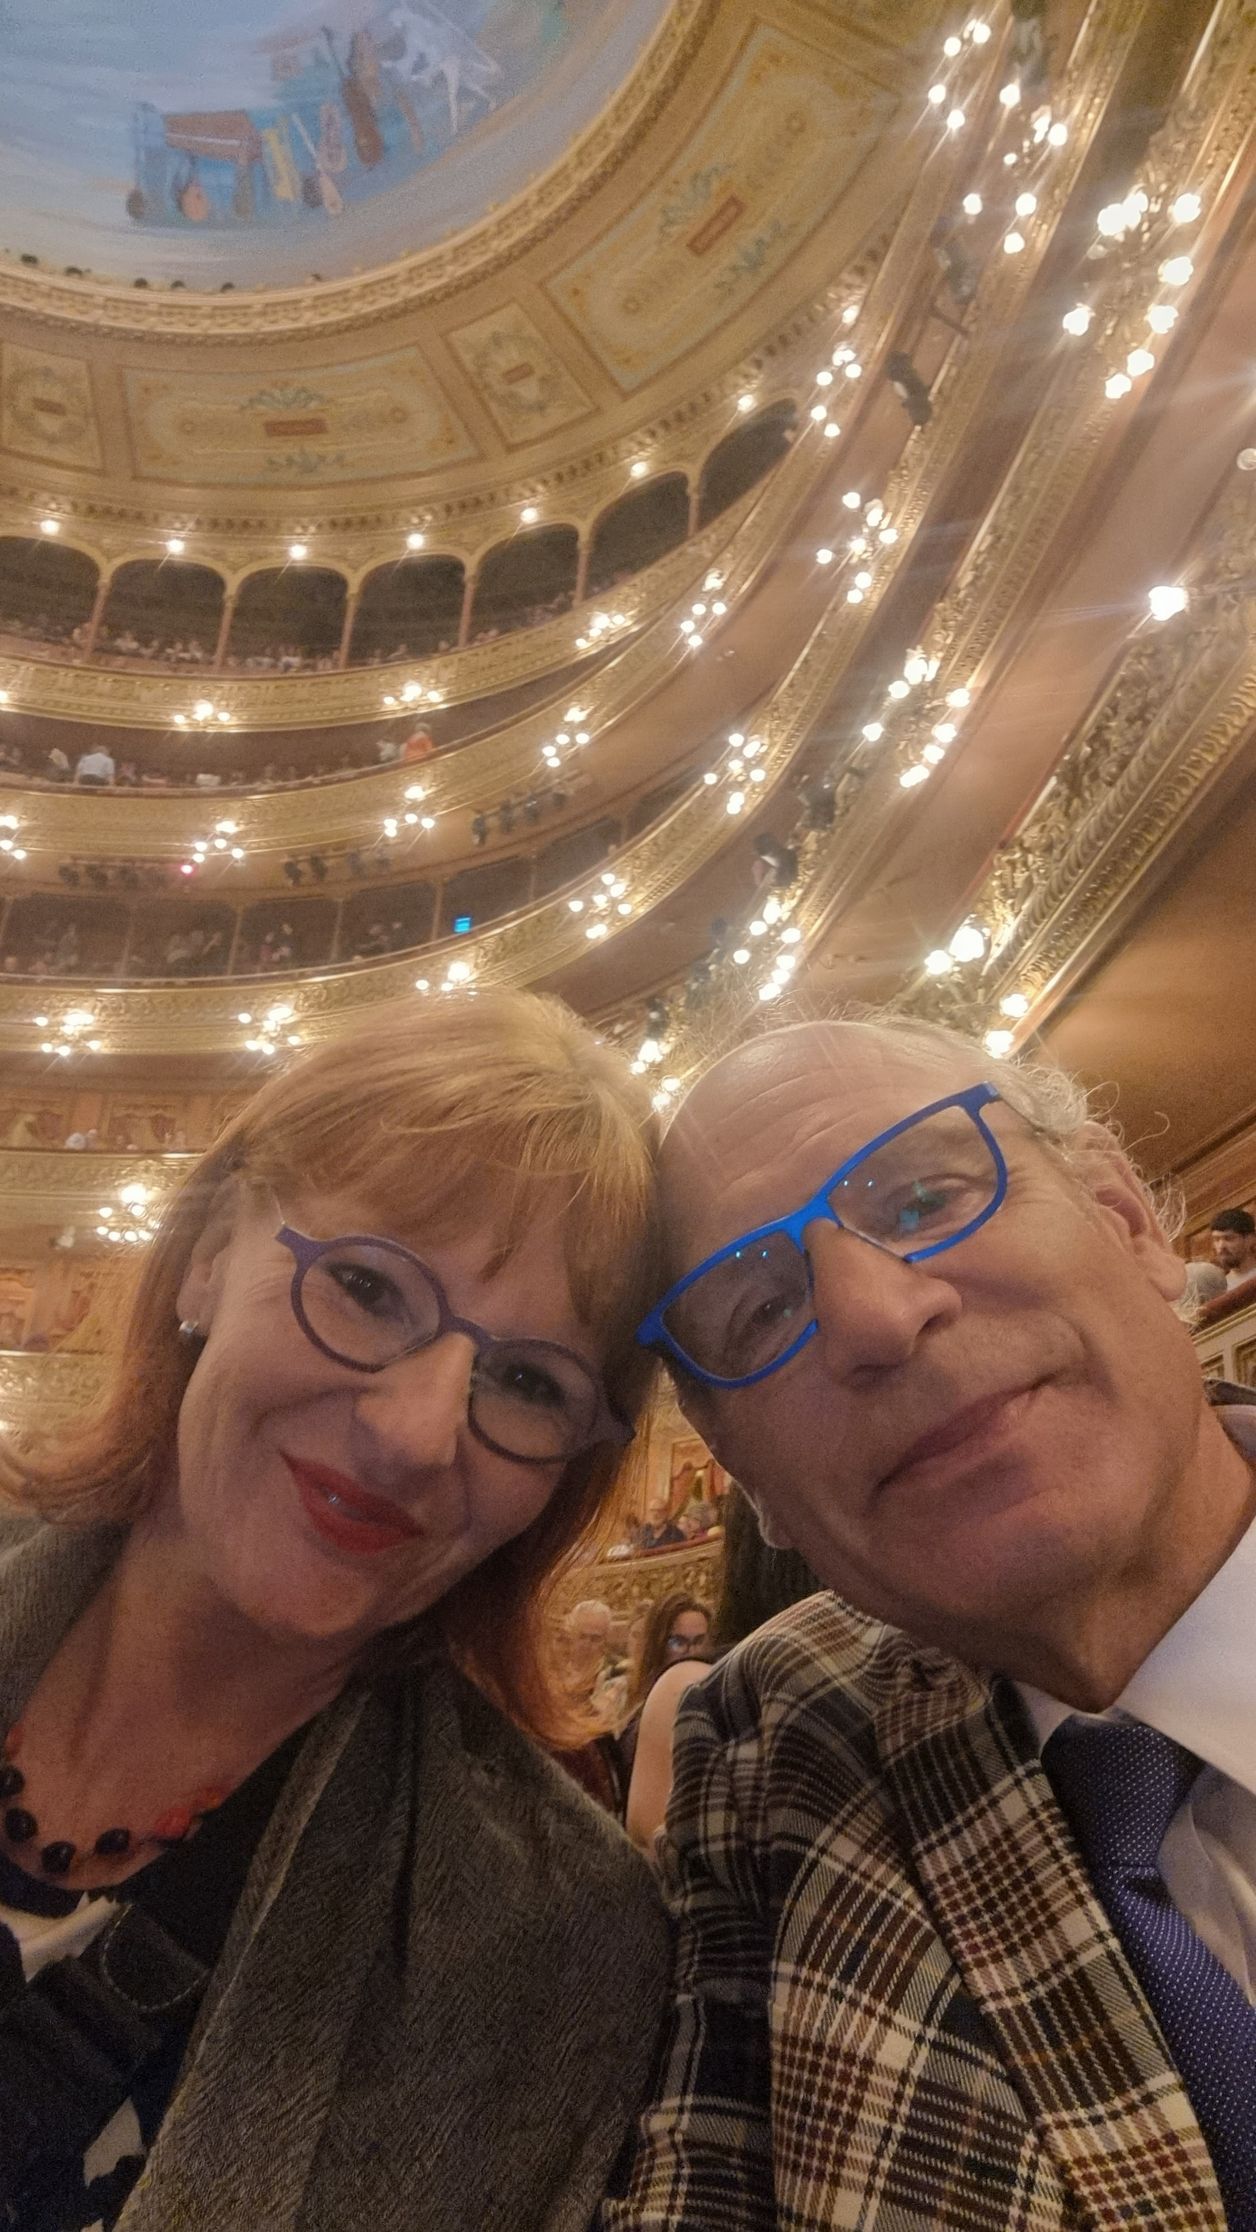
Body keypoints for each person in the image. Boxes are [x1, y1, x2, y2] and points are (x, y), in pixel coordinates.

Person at [0, 990, 669, 2231]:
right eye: (366, 1286)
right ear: (208, 1256)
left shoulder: (551, 1940)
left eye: (528, 1382)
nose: (414, 1435)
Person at [605, 1012, 1256, 2231]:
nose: (873, 1317)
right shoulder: (773, 1742)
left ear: (1125, 1221)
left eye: (921, 1200)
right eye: (759, 1313)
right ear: (749, 1485)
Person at [1210, 1205, 1256, 1287]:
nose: (1221, 1246)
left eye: (1229, 1238)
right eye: (1216, 1239)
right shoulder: (1219, 1287)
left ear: (1250, 1239)